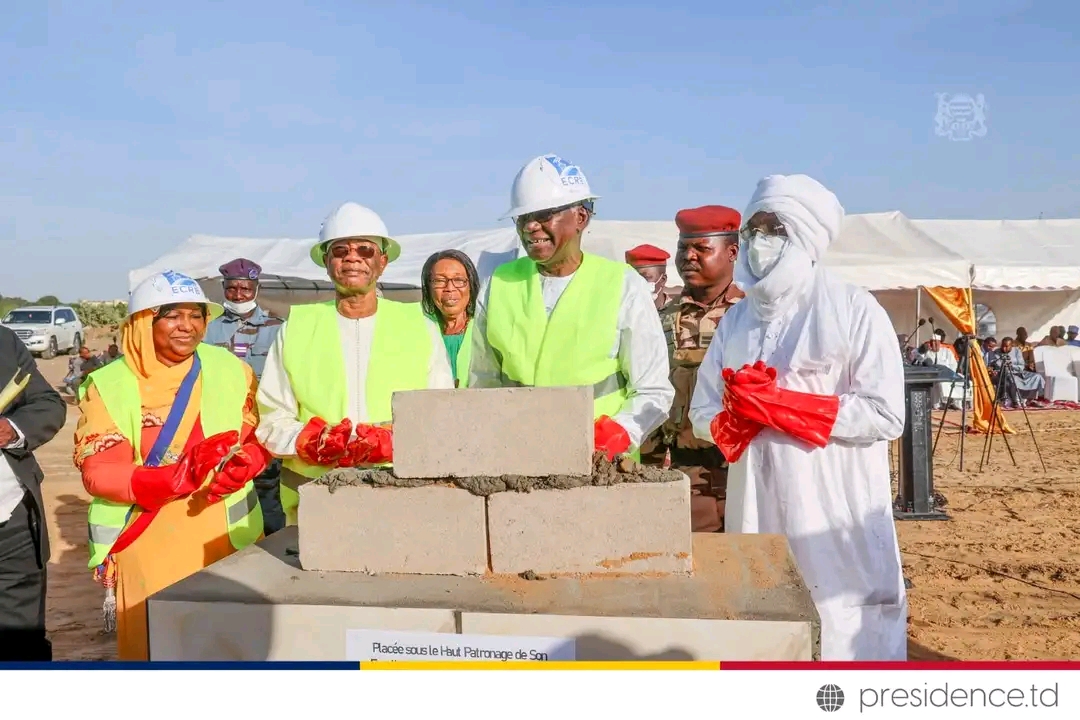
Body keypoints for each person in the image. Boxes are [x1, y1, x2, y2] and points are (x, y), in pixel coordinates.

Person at [689, 174, 907, 660]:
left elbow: (886, 413)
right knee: (764, 624)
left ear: (804, 236)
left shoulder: (854, 309)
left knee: (840, 626)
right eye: (751, 231)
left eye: (772, 230)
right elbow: (702, 410)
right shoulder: (738, 320)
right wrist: (734, 420)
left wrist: (786, 407)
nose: (756, 242)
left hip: (832, 509)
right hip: (756, 506)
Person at [74, 271, 268, 661]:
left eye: (196, 315)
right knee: (160, 647)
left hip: (226, 537)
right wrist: (172, 478)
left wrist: (249, 462)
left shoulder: (231, 369)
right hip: (148, 536)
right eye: (172, 315)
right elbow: (99, 471)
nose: (188, 326)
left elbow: (256, 436)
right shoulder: (109, 382)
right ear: (143, 323)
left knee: (229, 648)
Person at [256, 203, 454, 525]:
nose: (352, 258)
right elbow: (272, 416)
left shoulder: (419, 325)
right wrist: (308, 441)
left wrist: (395, 441)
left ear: (382, 262)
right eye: (340, 251)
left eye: (364, 250)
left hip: (400, 491)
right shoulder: (297, 327)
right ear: (326, 261)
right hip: (315, 497)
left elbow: (441, 412)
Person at [469, 154, 673, 460]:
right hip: (518, 460)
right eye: (523, 218)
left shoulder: (622, 285)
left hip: (600, 465)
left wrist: (621, 433)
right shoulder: (499, 283)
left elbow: (653, 389)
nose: (531, 227)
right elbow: (482, 381)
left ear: (581, 217)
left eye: (544, 214)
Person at [641, 206, 743, 533]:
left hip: (746, 473)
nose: (689, 256)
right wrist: (651, 468)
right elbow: (652, 393)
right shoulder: (661, 320)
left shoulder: (754, 317)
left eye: (702, 248)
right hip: (688, 476)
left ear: (732, 252)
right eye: (684, 248)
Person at [205, 258, 286, 535]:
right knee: (223, 488)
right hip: (222, 423)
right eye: (232, 289)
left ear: (256, 288)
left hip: (264, 424)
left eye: (245, 289)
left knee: (268, 490)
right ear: (223, 288)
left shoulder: (278, 327)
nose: (238, 295)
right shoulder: (207, 328)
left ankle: (273, 549)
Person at [0, 327, 66, 661]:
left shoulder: (4, 342)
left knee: (20, 642)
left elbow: (46, 403)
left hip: (13, 521)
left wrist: (13, 429)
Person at [421, 250, 480, 388]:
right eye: (439, 281)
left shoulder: (485, 330)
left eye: (459, 280)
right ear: (428, 288)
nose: (449, 288)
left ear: (471, 285)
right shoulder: (420, 330)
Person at [625, 244, 681, 310]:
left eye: (645, 278)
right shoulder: (623, 312)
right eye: (632, 277)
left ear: (663, 280)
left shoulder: (676, 313)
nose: (638, 282)